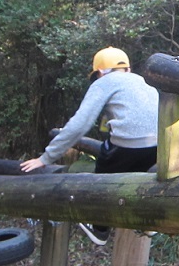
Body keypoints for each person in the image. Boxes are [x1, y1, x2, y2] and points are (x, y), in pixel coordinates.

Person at [21, 46, 159, 246]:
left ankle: (99, 227)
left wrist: (46, 158)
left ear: (100, 72)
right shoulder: (143, 82)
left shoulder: (104, 82)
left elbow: (80, 125)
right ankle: (148, 220)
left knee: (103, 165)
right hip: (159, 147)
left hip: (127, 147)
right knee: (137, 178)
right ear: (127, 68)